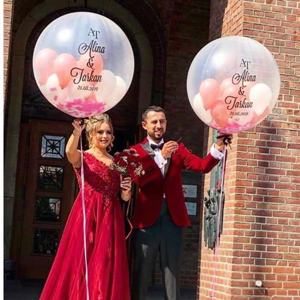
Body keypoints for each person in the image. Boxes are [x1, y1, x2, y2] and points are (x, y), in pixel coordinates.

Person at [130, 106, 232, 300]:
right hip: (146, 222)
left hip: (172, 219)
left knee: (173, 273)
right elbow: (140, 180)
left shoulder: (177, 148)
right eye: (154, 122)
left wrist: (218, 148)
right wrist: (161, 157)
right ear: (145, 125)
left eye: (162, 121)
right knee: (142, 273)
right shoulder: (135, 152)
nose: (159, 126)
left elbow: (202, 166)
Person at [39, 114, 132, 300]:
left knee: (106, 262)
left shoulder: (118, 163)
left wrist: (126, 191)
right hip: (87, 213)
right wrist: (76, 132)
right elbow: (69, 153)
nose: (104, 136)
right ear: (91, 134)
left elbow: (123, 197)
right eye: (100, 132)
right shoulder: (84, 156)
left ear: (112, 136)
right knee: (81, 260)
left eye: (108, 132)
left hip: (110, 217)